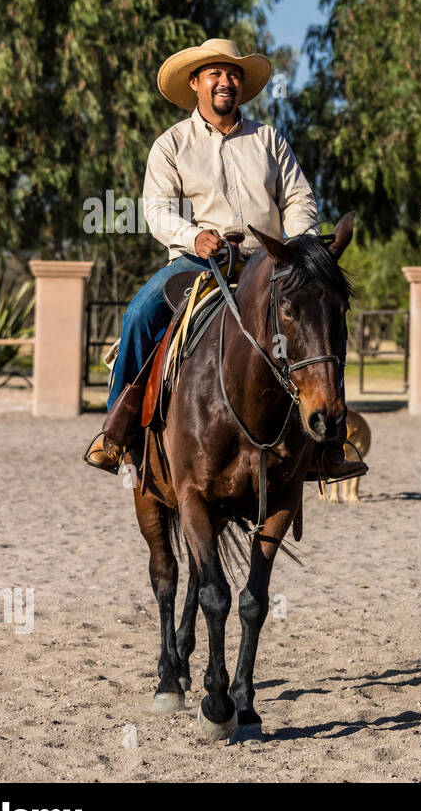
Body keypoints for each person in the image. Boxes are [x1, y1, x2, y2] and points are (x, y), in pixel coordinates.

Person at [84, 37, 366, 481]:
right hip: (199, 264)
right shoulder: (171, 145)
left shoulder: (269, 139)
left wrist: (297, 247)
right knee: (141, 311)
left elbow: (298, 198)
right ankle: (116, 432)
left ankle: (329, 445)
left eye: (233, 74)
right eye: (214, 73)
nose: (225, 81)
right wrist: (194, 236)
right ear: (195, 83)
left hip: (272, 262)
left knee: (321, 320)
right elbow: (156, 210)